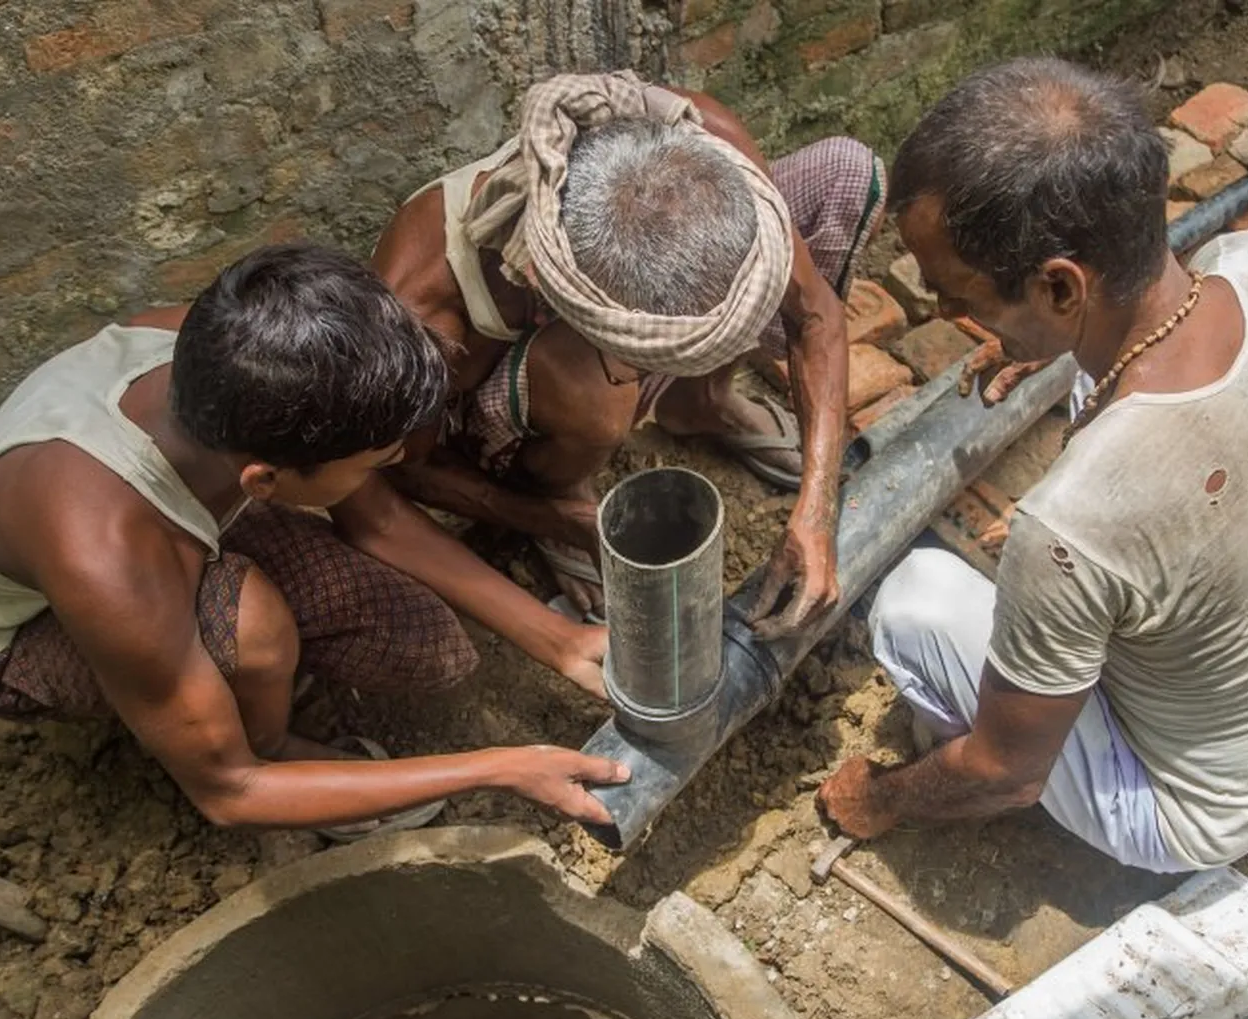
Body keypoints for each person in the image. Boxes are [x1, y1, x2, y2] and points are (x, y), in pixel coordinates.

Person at [819, 58, 1248, 873]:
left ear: (1060, 288)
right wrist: (1054, 350)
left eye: (959, 295)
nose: (945, 316)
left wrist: (882, 799)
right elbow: (1154, 341)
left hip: (1195, 811)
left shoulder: (1072, 525)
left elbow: (1007, 774)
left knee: (913, 603)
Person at [0, 243, 628, 835]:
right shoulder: (102, 551)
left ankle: (254, 682)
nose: (391, 468)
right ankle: (280, 745)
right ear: (263, 481)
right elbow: (228, 793)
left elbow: (377, 520)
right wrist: (506, 767)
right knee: (256, 627)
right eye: (375, 460)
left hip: (180, 527)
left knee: (423, 647)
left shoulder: (236, 367)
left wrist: (557, 640)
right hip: (28, 636)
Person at [374, 70, 887, 632]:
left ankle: (702, 400)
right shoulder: (425, 325)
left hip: (586, 339)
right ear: (546, 290)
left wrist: (817, 510)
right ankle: (560, 478)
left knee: (847, 174)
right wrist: (550, 519)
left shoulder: (689, 131)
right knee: (592, 390)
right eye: (647, 364)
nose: (643, 376)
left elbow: (813, 311)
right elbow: (401, 472)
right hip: (507, 401)